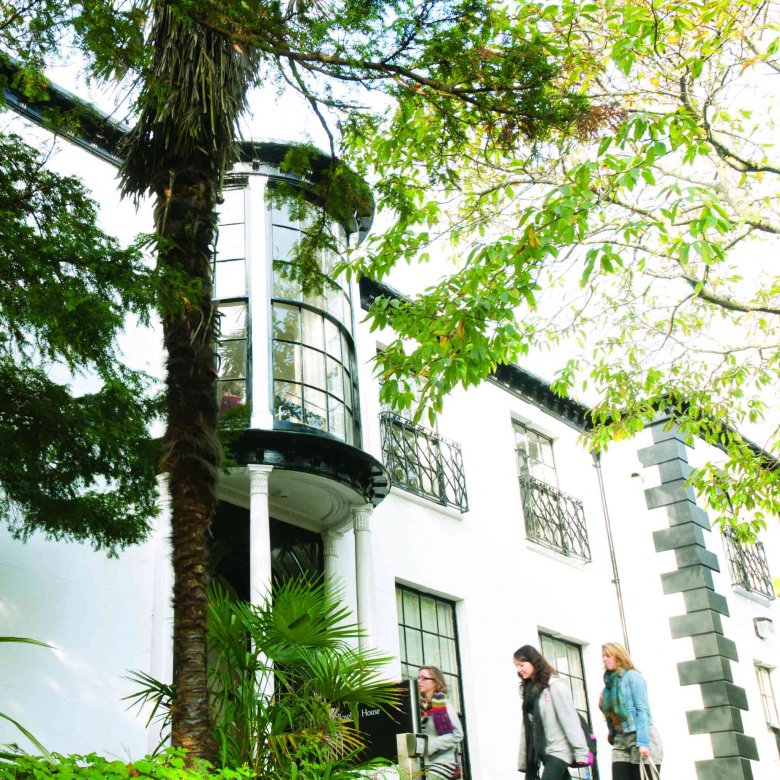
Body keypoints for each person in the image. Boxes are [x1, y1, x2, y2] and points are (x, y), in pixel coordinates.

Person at [515, 645, 591, 779]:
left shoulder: (554, 686)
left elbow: (570, 720)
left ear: (533, 661)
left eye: (522, 664)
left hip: (560, 751)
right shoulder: (529, 694)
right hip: (545, 753)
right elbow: (526, 729)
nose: (519, 669)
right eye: (517, 666)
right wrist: (524, 760)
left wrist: (581, 752)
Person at [599, 642, 663, 779]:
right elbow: (611, 714)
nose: (604, 659)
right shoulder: (609, 685)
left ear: (619, 656)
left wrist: (643, 743)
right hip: (620, 738)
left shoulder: (633, 677)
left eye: (608, 655)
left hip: (640, 736)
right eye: (603, 656)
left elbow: (642, 710)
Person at [418, 666, 463, 779]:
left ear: (435, 682)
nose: (419, 681)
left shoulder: (445, 705)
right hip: (423, 762)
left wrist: (431, 745)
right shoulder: (419, 707)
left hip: (443, 762)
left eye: (424, 678)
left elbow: (458, 734)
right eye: (418, 678)